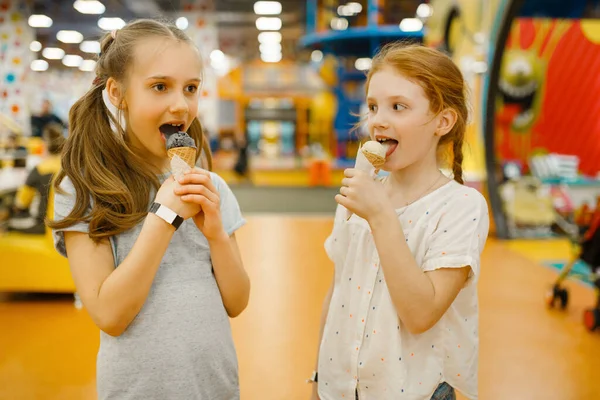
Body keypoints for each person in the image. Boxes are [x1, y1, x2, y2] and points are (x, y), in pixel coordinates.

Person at [48, 19, 250, 400]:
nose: (180, 104)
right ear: (117, 93)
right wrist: (165, 217)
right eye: (160, 87)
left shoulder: (211, 186)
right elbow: (110, 315)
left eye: (191, 88)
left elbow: (237, 302)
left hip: (217, 390)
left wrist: (217, 235)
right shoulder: (83, 188)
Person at [310, 43, 490, 400]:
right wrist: (318, 377)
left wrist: (380, 216)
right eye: (373, 106)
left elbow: (421, 313)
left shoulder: (462, 207)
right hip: (341, 389)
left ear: (443, 121)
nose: (378, 119)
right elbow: (338, 291)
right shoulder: (361, 193)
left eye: (399, 107)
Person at [10, 123, 64, 234]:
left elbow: (21, 203)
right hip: (62, 225)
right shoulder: (67, 167)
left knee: (6, 223)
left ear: (44, 145)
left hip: (40, 224)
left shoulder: (40, 169)